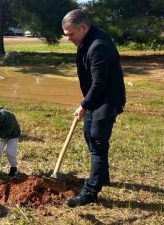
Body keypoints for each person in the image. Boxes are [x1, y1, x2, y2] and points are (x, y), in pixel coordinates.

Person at [62, 9, 126, 207]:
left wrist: (83, 105)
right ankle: (102, 177)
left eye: (71, 34)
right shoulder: (87, 39)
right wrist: (87, 103)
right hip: (96, 98)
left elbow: (99, 83)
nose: (68, 39)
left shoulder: (98, 45)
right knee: (90, 136)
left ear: (84, 28)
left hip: (106, 101)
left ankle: (90, 192)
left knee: (97, 143)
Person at [0, 105, 21, 179]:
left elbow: (9, 129)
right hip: (1, 135)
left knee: (10, 151)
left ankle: (13, 168)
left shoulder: (6, 114)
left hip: (13, 134)